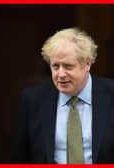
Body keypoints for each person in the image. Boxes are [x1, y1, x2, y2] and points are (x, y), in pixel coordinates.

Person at [10, 28, 114, 164]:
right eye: (55, 66)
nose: (61, 74)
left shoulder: (110, 94)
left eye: (68, 66)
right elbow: (20, 156)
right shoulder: (33, 99)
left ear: (87, 63)